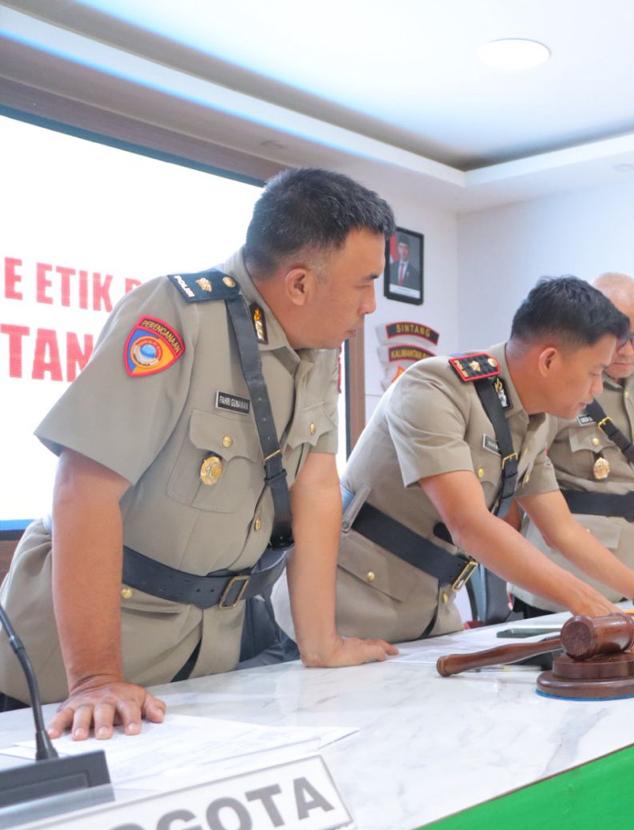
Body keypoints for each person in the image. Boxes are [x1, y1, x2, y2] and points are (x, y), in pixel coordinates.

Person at [0, 168, 399, 740]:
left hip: (198, 666)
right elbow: (82, 489)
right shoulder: (176, 316)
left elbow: (313, 491)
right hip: (68, 686)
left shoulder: (314, 354)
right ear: (299, 284)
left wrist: (322, 645)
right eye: (365, 282)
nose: (370, 305)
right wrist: (94, 677)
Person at [270, 275, 634, 646]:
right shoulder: (434, 389)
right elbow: (470, 524)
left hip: (427, 616)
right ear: (548, 360)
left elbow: (560, 530)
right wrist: (588, 604)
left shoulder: (534, 419)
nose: (598, 388)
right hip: (342, 617)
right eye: (594, 372)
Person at [514, 273, 634, 617]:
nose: (628, 350)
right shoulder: (562, 381)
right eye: (621, 337)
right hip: (566, 577)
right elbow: (519, 481)